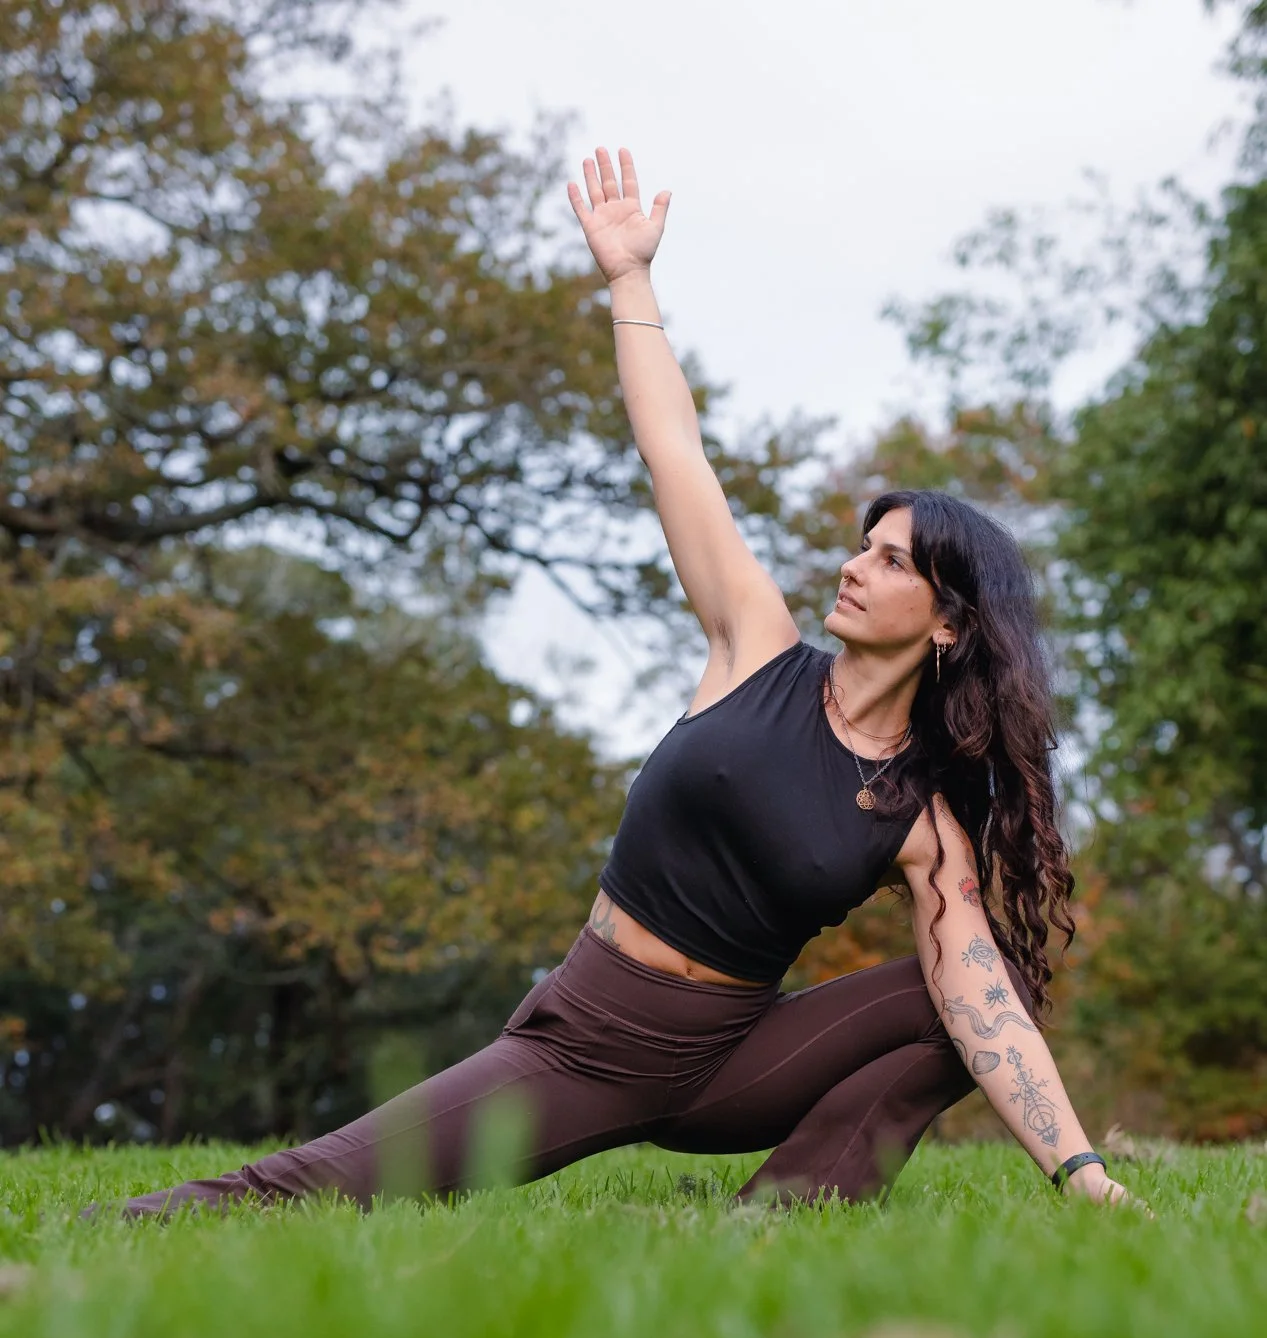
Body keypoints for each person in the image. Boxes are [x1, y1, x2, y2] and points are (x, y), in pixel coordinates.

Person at [105, 146, 1131, 1219]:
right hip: (585, 1040)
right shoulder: (757, 647)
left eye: (889, 559)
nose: (852, 564)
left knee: (987, 981)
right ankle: (98, 1238)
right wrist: (628, 279)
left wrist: (1085, 1176)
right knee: (301, 1189)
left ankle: (784, 1222)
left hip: (734, 1058)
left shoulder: (917, 814)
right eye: (860, 544)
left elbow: (983, 1015)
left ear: (949, 622)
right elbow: (674, 453)